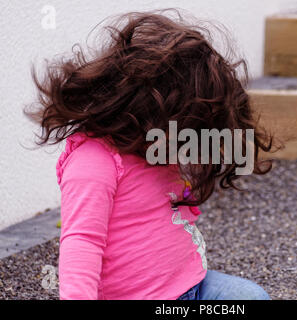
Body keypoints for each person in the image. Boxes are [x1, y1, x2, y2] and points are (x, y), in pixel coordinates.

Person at [25, 10, 274, 300]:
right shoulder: (94, 162)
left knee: (251, 297)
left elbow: (221, 149)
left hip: (193, 286)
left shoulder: (155, 148)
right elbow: (82, 242)